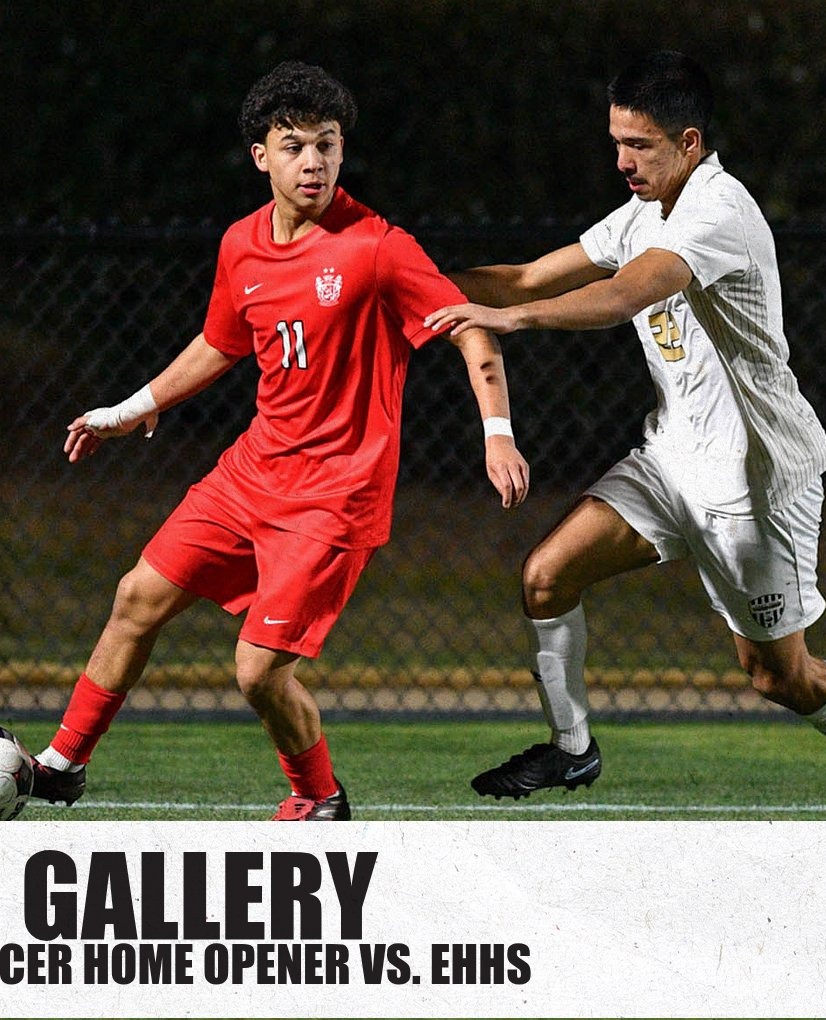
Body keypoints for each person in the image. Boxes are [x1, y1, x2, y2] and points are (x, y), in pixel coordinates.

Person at [423, 50, 826, 820]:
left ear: (689, 142)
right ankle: (571, 749)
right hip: (670, 461)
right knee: (546, 576)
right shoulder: (642, 211)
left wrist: (512, 320)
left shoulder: (719, 212)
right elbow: (527, 276)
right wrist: (405, 273)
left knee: (777, 677)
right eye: (617, 143)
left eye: (641, 146)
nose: (623, 161)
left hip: (757, 483)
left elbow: (626, 292)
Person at [29, 61, 530, 821]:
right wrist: (135, 406)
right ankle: (63, 764)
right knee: (136, 597)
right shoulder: (241, 245)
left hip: (336, 496)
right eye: (294, 146)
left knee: (259, 673)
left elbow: (470, 329)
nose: (314, 162)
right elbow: (220, 342)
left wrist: (497, 435)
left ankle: (319, 796)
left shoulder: (377, 247)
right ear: (260, 156)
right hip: (252, 474)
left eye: (327, 145)